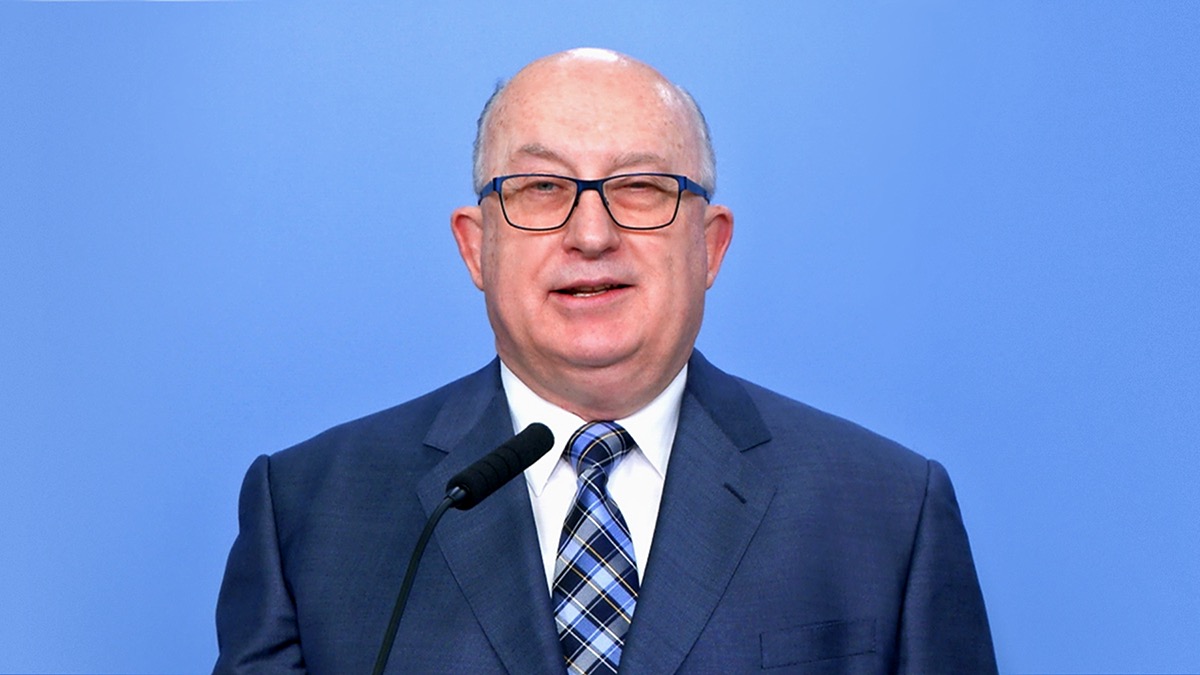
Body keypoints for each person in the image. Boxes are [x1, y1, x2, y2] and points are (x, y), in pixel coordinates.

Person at [213, 48, 997, 674]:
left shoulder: (889, 513)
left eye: (642, 187)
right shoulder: (310, 509)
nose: (591, 234)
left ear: (711, 244)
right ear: (476, 246)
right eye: (541, 187)